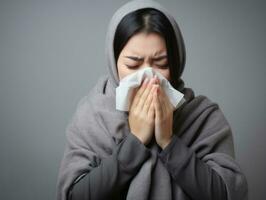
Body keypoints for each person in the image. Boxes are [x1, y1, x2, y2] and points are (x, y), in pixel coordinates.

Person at [56, 0, 248, 200]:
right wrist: (135, 141)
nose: (147, 75)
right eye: (133, 64)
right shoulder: (93, 115)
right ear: (114, 63)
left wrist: (168, 141)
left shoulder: (202, 116)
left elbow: (227, 195)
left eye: (161, 63)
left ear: (175, 63)